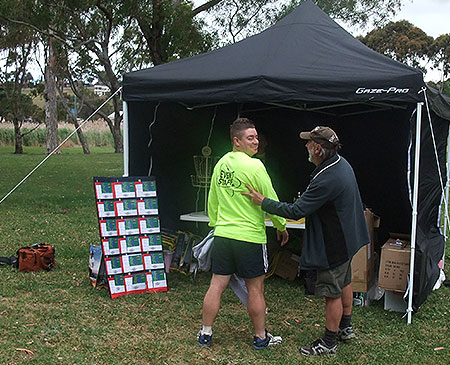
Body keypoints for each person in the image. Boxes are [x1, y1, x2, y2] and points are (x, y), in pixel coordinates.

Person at [242, 126, 369, 356]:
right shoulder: (340, 163)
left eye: (309, 143)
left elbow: (296, 210)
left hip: (336, 242)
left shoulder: (328, 177)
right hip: (349, 237)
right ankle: (346, 327)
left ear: (318, 148)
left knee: (333, 292)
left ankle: (329, 343)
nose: (306, 146)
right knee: (345, 281)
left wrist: (263, 202)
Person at [197, 117, 289, 350]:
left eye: (257, 137)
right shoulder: (256, 166)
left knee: (216, 284)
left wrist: (217, 224)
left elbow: (213, 200)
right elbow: (270, 198)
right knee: (255, 288)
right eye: (250, 138)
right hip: (250, 238)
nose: (256, 142)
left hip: (224, 236)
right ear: (236, 141)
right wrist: (281, 225)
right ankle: (260, 337)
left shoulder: (221, 164)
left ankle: (205, 333)